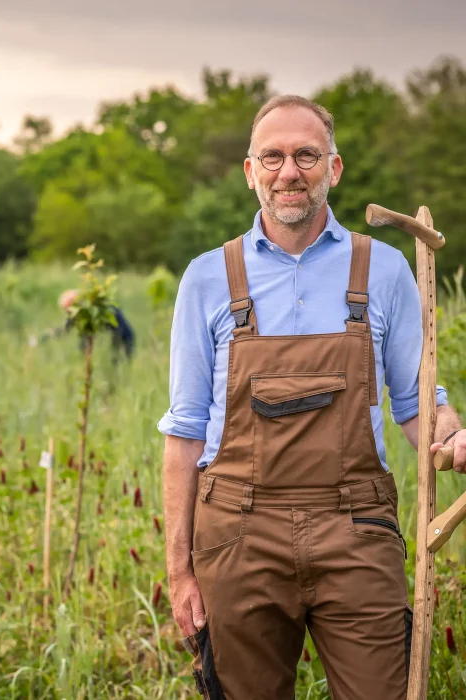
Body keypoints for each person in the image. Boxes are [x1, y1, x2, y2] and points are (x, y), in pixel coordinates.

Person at [158, 95, 466, 700]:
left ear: (334, 168)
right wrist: (179, 570)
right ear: (250, 171)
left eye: (306, 155)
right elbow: (186, 429)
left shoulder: (383, 268)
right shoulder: (207, 277)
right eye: (272, 157)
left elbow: (415, 403)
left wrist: (452, 436)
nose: (289, 171)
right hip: (238, 531)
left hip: (356, 525)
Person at [31, 288, 135, 359]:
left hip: (124, 339)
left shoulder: (98, 309)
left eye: (69, 311)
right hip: (112, 342)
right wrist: (40, 339)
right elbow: (65, 329)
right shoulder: (82, 312)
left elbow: (116, 328)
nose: (69, 314)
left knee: (117, 364)